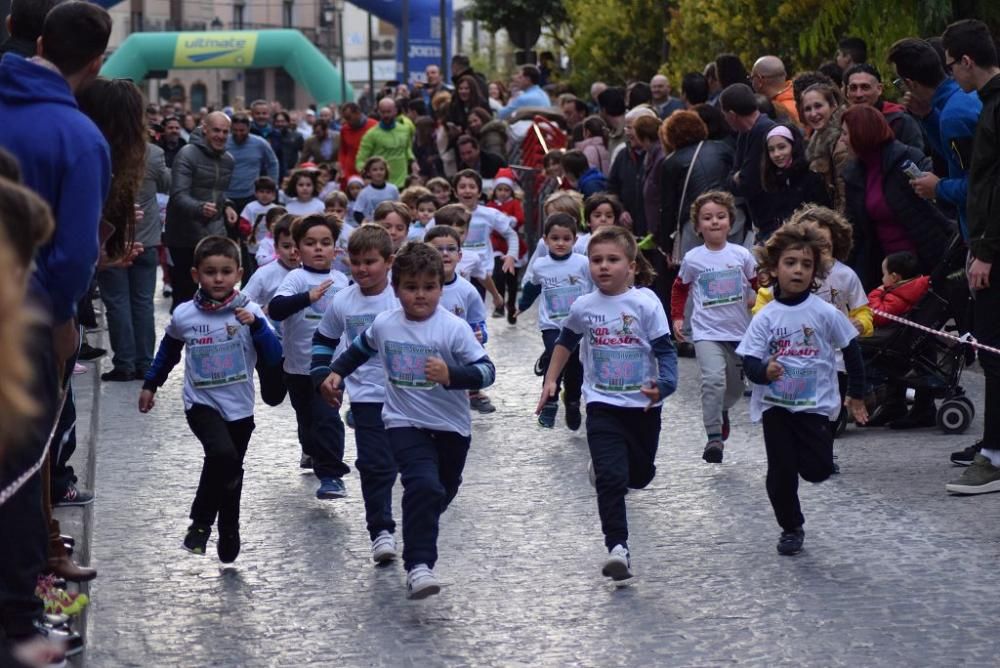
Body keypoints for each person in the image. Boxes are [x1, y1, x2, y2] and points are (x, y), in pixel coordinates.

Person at [320, 242, 496, 600]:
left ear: (441, 289)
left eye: (429, 287)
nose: (420, 295)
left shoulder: (453, 328)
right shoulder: (385, 323)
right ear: (396, 288)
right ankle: (419, 567)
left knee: (439, 492)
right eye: (411, 287)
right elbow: (359, 348)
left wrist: (451, 375)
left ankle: (419, 524)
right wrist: (336, 374)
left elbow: (486, 371)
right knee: (423, 487)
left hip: (451, 428)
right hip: (403, 422)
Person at [537, 226, 677, 584]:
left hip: (643, 405)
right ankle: (618, 547)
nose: (603, 266)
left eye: (612, 260)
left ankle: (607, 471)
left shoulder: (646, 303)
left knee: (641, 475)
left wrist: (666, 384)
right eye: (596, 260)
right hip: (601, 403)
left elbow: (664, 350)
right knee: (612, 479)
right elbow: (566, 342)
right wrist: (551, 380)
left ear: (630, 266)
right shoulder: (584, 306)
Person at [139, 235, 281, 563]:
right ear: (195, 275)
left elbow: (274, 356)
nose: (218, 279)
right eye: (210, 272)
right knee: (221, 454)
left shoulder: (251, 310)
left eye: (226, 271)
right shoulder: (185, 314)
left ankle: (229, 528)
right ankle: (201, 524)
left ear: (239, 274)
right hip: (201, 403)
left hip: (240, 408)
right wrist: (151, 383)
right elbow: (169, 350)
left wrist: (258, 325)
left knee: (230, 469)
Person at [736, 223, 868, 556]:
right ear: (774, 268)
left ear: (816, 273)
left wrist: (857, 392)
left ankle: (806, 460)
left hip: (814, 406)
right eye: (790, 262)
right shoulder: (766, 317)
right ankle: (791, 527)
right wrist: (764, 372)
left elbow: (851, 349)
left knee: (817, 469)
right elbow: (749, 360)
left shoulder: (824, 313)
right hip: (776, 405)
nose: (798, 270)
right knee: (780, 473)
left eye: (806, 265)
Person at [311, 224, 401, 564]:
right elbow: (324, 339)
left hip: (410, 394)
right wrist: (322, 375)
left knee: (407, 466)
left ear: (389, 261)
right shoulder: (343, 300)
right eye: (356, 262)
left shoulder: (401, 294)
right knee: (375, 465)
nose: (362, 269)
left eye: (370, 262)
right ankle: (381, 530)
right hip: (366, 394)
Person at [941, 20, 1000, 487]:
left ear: (966, 60)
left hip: (994, 250)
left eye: (951, 66)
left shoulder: (995, 107)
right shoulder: (989, 105)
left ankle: (995, 456)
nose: (951, 78)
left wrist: (984, 250)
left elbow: (994, 189)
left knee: (994, 351)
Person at [83, 79, 164, 384]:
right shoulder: (153, 153)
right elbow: (168, 183)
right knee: (142, 302)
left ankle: (126, 363)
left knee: (117, 302)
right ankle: (146, 363)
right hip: (147, 236)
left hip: (112, 237)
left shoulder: (98, 150)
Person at [268, 214, 351, 496]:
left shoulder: (342, 280)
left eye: (325, 243)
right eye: (310, 243)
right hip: (297, 368)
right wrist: (308, 298)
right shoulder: (296, 278)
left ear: (335, 249)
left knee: (327, 418)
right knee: (307, 422)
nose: (318, 248)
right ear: (297, 249)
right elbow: (276, 308)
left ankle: (332, 476)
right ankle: (311, 450)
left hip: (332, 368)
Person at [670, 191, 755, 463]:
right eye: (707, 218)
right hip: (707, 333)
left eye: (721, 216)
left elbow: (758, 285)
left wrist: (757, 298)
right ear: (698, 226)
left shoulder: (742, 255)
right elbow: (679, 289)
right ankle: (713, 438)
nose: (715, 222)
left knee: (733, 389)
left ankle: (724, 409)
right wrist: (678, 317)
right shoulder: (694, 258)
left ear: (731, 221)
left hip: (739, 333)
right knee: (712, 381)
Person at [840, 105, 954, 290]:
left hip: (925, 261)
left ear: (860, 133)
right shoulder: (853, 173)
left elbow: (935, 208)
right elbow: (855, 229)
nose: (842, 140)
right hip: (884, 268)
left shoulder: (906, 160)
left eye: (845, 133)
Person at [887, 37, 981, 240]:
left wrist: (938, 188)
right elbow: (956, 156)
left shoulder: (953, 116)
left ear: (910, 83)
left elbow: (979, 186)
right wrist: (928, 116)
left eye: (899, 83)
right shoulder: (964, 97)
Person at [519, 213, 592, 429]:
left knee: (575, 365)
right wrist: (520, 307)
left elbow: (596, 287)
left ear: (575, 240)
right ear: (545, 239)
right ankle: (550, 402)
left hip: (578, 325)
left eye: (566, 238)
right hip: (551, 324)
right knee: (556, 356)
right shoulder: (541, 265)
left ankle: (572, 400)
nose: (560, 243)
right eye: (555, 238)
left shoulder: (583, 263)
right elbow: (531, 288)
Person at [165, 111, 237, 310]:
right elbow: (178, 195)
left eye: (225, 132)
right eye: (216, 130)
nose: (220, 136)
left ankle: (213, 338)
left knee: (215, 294)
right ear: (204, 129)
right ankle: (180, 339)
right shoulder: (187, 153)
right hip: (184, 237)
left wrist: (229, 205)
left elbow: (219, 194)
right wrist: (199, 208)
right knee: (185, 299)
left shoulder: (228, 160)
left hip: (213, 234)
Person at [658, 110, 735, 269]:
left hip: (694, 224)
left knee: (697, 274)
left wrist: (666, 246)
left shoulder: (671, 162)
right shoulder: (722, 149)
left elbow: (668, 207)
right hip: (729, 218)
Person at [755, 124, 831, 239]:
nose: (777, 154)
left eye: (782, 147)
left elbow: (822, 215)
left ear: (793, 147)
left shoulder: (811, 178)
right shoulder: (769, 180)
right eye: (771, 150)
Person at [721, 83, 776, 238]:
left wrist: (738, 177)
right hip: (761, 221)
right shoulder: (745, 133)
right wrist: (737, 177)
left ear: (731, 115)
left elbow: (747, 183)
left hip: (772, 220)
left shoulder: (764, 131)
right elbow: (733, 178)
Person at [843, 64, 925, 153]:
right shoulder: (844, 123)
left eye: (865, 87)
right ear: (847, 92)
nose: (858, 94)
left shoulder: (900, 121)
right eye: (853, 88)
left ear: (879, 89)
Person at [801, 83, 849, 210]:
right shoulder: (815, 139)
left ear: (833, 106)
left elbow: (844, 196)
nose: (813, 113)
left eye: (818, 106)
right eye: (807, 109)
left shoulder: (841, 142)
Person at [485, 168, 525, 321]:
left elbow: (520, 219)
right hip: (496, 246)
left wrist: (509, 221)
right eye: (500, 189)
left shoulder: (514, 203)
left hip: (512, 245)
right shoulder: (490, 205)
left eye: (506, 190)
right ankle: (499, 304)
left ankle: (511, 305)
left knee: (512, 279)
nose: (502, 193)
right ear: (494, 190)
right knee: (498, 275)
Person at [225, 114, 279, 214]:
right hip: (227, 195)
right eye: (235, 130)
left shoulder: (260, 143)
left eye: (242, 130)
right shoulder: (224, 143)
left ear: (249, 128)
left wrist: (273, 185)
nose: (238, 133)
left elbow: (272, 163)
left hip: (251, 195)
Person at [356, 98, 414, 190]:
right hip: (381, 185)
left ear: (395, 111)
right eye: (383, 112)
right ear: (379, 112)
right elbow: (360, 160)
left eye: (389, 112)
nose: (386, 115)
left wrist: (413, 162)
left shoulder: (405, 129)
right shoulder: (371, 134)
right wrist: (366, 177)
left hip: (403, 183)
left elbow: (407, 149)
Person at [238, 176, 280, 262]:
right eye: (261, 192)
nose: (264, 195)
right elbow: (243, 222)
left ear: (274, 195)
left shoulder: (276, 209)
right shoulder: (250, 207)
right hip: (253, 244)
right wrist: (248, 230)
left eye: (268, 192)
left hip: (271, 245)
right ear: (256, 193)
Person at [751, 56, 800, 124]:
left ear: (759, 80)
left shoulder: (777, 111)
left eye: (752, 78)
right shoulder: (799, 100)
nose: (751, 81)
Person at [353, 157, 400, 224]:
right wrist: (365, 224)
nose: (379, 172)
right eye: (375, 170)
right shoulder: (364, 192)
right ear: (368, 173)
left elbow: (399, 208)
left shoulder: (393, 189)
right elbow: (357, 212)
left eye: (381, 169)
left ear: (386, 171)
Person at [269, 111, 305, 180]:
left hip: (291, 173)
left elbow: (304, 154)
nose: (280, 124)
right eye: (277, 121)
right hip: (273, 172)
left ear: (288, 122)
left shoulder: (297, 136)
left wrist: (297, 168)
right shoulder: (269, 136)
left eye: (283, 121)